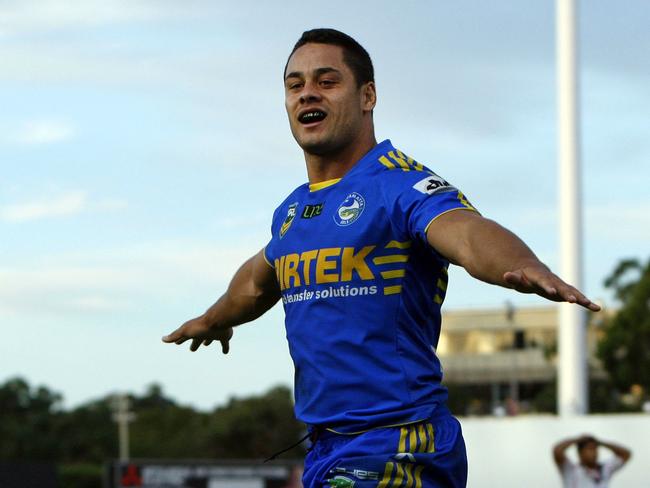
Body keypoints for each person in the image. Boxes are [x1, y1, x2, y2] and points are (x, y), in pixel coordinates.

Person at [163, 28, 601, 487]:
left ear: (367, 95)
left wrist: (522, 263)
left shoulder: (399, 183)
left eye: (327, 80)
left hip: (402, 444)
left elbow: (466, 233)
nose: (307, 92)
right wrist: (214, 319)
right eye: (295, 85)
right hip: (329, 448)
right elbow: (257, 280)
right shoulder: (292, 211)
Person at [553, 435, 631, 487]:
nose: (594, 453)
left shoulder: (605, 468)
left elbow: (625, 454)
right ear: (580, 453)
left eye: (595, 449)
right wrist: (577, 440)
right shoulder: (571, 470)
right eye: (590, 449)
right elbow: (557, 451)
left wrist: (601, 443)